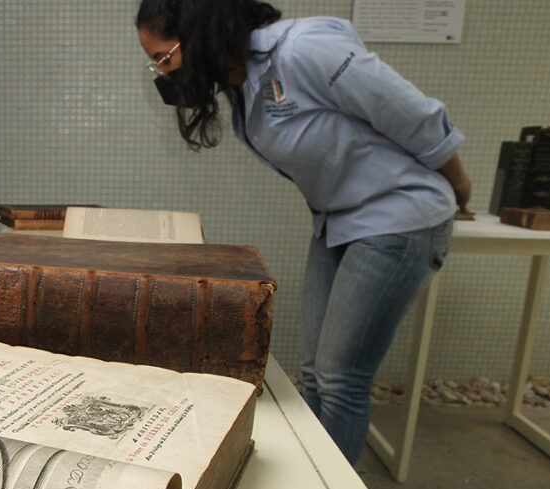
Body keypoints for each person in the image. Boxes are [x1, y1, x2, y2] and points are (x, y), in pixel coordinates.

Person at [135, 1, 472, 463]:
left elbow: (413, 115)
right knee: (314, 373)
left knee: (341, 378)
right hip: (339, 221)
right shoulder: (243, 83)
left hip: (401, 215)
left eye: (164, 57)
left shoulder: (304, 50)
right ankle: (320, 475)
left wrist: (460, 186)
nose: (163, 72)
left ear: (199, 33)